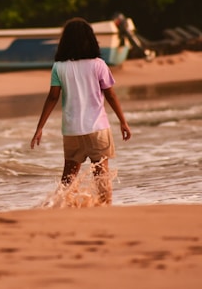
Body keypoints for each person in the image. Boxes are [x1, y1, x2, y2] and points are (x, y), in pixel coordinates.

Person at [31, 17, 132, 205]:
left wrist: (39, 128)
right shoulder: (98, 64)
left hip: (72, 130)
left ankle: (60, 207)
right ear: (90, 39)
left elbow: (53, 97)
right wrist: (123, 122)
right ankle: (105, 208)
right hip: (98, 128)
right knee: (101, 173)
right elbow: (111, 95)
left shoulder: (59, 67)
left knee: (68, 177)